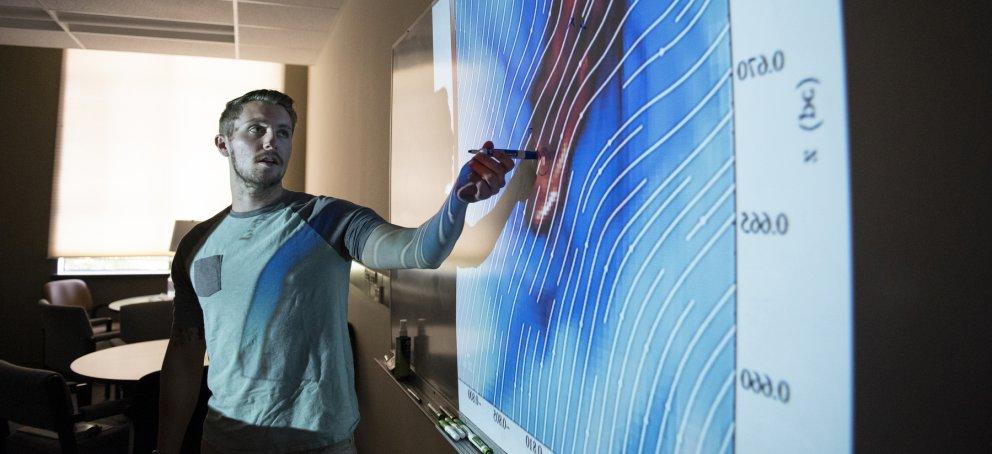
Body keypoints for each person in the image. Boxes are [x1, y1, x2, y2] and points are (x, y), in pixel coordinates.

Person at [155, 89, 514, 454]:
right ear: (223, 143)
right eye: (256, 129)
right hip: (225, 440)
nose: (271, 141)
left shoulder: (329, 218)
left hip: (318, 442)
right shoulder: (197, 244)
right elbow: (185, 354)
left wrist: (458, 200)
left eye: (282, 133)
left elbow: (418, 250)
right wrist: (165, 447)